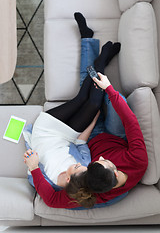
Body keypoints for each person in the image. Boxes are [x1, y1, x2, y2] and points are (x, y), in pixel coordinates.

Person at [24, 13, 148, 209]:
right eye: (102, 162)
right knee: (112, 98)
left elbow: (52, 200)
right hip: (114, 134)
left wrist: (34, 169)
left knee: (87, 90)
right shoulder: (138, 162)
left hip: (85, 137)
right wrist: (110, 90)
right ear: (115, 172)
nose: (98, 157)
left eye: (93, 164)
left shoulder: (90, 188)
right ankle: (102, 69)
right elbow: (130, 121)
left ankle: (88, 40)